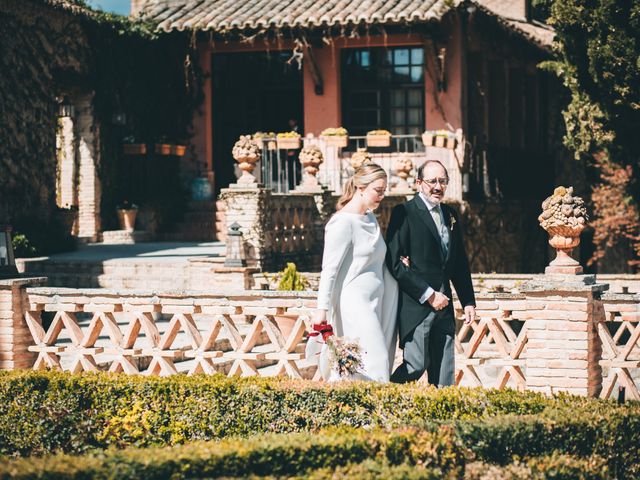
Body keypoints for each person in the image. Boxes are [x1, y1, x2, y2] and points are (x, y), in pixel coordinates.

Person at [386, 160, 476, 386]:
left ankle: (443, 419)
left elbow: (459, 264)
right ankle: (382, 401)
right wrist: (428, 294)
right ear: (418, 183)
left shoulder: (450, 214)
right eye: (432, 181)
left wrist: (468, 301)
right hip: (417, 306)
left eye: (442, 181)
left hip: (445, 306)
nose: (438, 186)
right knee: (415, 364)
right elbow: (394, 262)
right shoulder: (403, 212)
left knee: (445, 372)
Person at [311, 163, 398, 382]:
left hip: (379, 300)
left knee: (379, 359)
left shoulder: (370, 218)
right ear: (360, 187)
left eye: (384, 191)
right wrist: (321, 310)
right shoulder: (341, 223)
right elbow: (329, 269)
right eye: (378, 191)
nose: (382, 196)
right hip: (354, 304)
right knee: (374, 361)